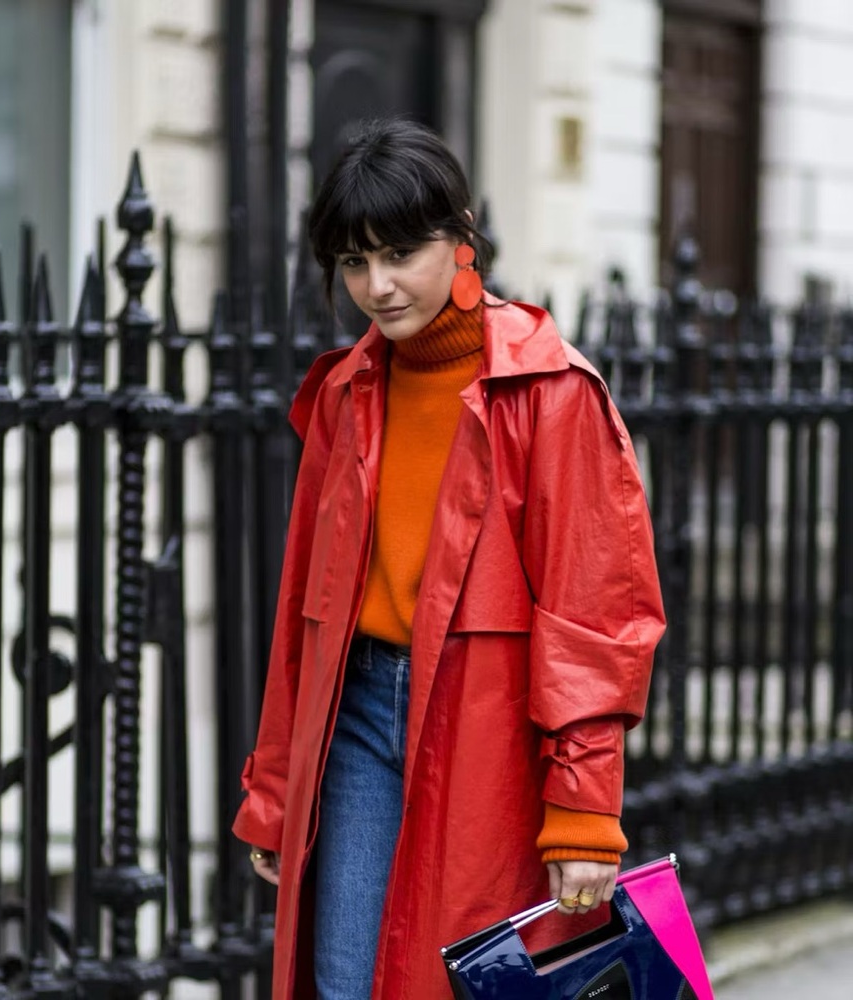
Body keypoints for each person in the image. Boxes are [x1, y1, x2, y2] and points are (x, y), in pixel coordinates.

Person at [232, 118, 666, 1000]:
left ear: (461, 236)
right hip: (355, 720)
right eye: (354, 263)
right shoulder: (347, 391)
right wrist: (276, 794)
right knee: (345, 981)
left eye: (399, 254)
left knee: (463, 985)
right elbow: (302, 616)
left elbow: (597, 616)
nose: (378, 287)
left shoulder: (549, 391)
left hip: (490, 733)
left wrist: (584, 811)